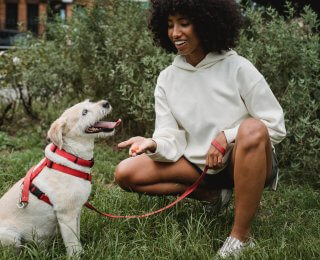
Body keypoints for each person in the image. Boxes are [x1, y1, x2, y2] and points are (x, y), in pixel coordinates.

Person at [115, 0, 286, 258]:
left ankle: (240, 236)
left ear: (206, 24)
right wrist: (153, 143)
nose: (175, 33)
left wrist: (227, 137)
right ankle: (212, 195)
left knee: (251, 128)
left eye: (184, 23)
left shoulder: (238, 67)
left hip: (243, 161)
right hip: (200, 166)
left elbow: (274, 125)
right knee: (125, 173)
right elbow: (169, 135)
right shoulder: (167, 78)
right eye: (170, 25)